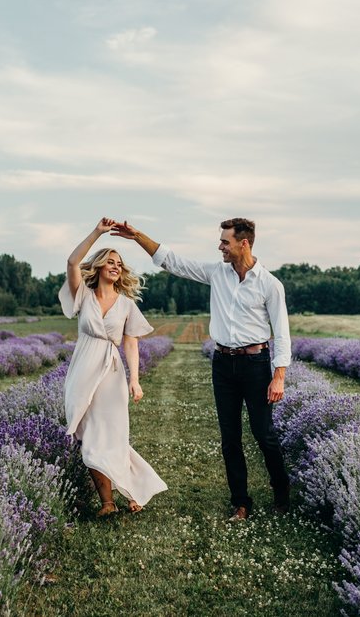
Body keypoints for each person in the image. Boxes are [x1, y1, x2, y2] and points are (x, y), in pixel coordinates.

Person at [113, 217, 290, 521]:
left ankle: (282, 493)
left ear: (243, 243)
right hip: (223, 364)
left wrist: (279, 377)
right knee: (230, 438)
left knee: (264, 434)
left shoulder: (270, 284)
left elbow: (282, 332)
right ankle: (241, 502)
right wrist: (136, 236)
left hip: (256, 364)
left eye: (225, 241)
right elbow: (173, 262)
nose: (220, 246)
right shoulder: (217, 273)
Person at [60, 218, 168, 517]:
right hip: (83, 371)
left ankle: (132, 491)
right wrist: (97, 232)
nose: (116, 266)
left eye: (119, 262)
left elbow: (131, 344)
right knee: (88, 437)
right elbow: (72, 261)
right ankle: (107, 502)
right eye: (110, 261)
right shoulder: (82, 294)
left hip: (111, 374)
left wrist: (135, 380)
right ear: (98, 266)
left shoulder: (126, 305)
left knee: (114, 437)